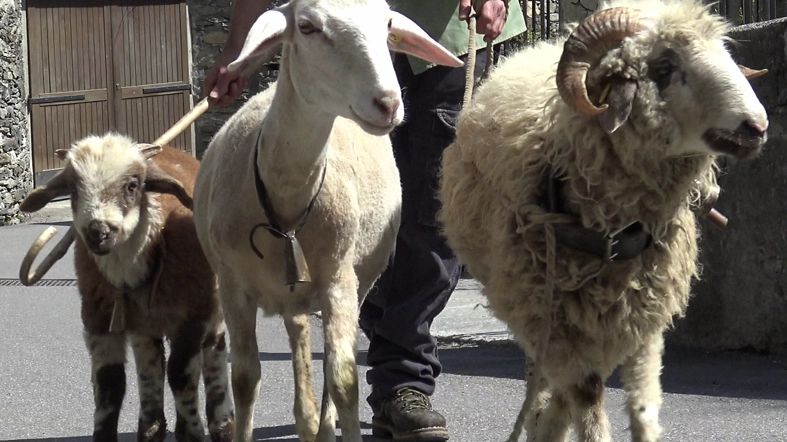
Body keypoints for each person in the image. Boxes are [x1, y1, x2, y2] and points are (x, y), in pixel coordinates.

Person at [205, 1, 526, 441]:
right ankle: (377, 357)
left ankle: (403, 382)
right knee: (346, 219)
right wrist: (237, 49)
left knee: (430, 218)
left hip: (434, 24)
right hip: (332, 30)